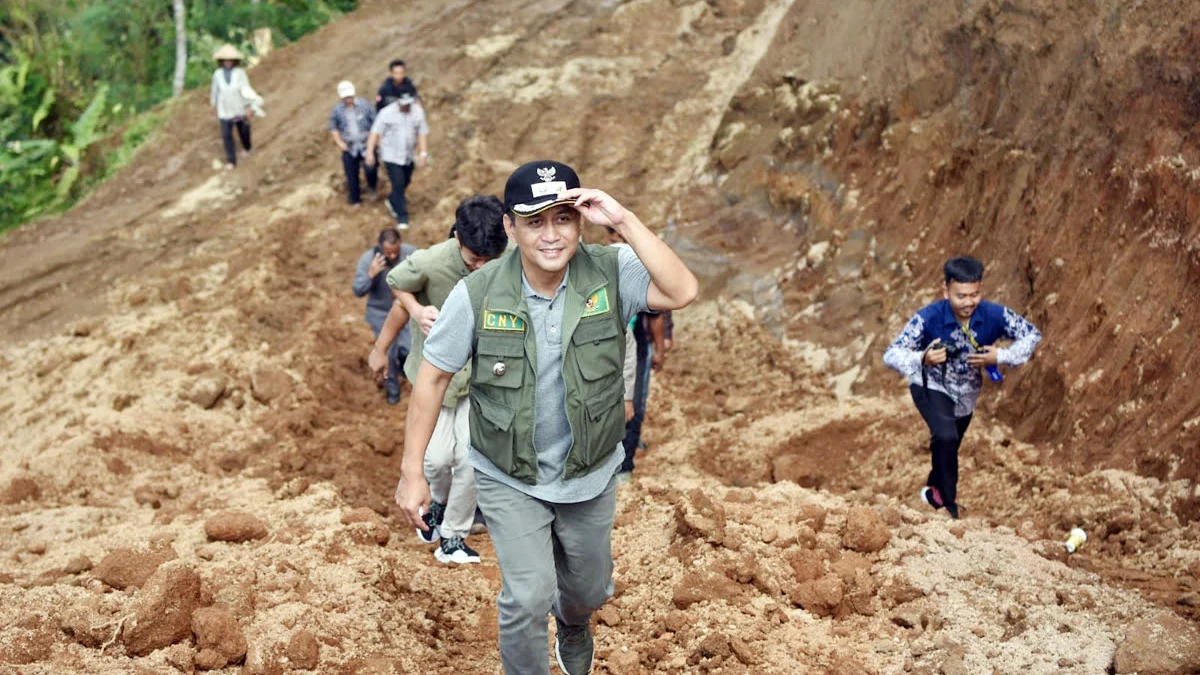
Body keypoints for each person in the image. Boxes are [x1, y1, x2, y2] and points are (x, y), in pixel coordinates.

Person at [395, 160, 699, 675]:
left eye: (563, 218)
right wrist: (412, 471)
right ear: (510, 228)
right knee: (526, 598)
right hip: (508, 473)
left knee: (587, 588)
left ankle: (575, 623)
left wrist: (622, 219)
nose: (552, 235)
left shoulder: (610, 269)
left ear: (580, 222)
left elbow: (682, 291)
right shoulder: (477, 293)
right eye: (535, 221)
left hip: (590, 471)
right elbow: (432, 378)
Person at [370, 195, 509, 564]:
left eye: (488, 260)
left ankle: (453, 536)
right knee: (434, 460)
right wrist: (415, 312)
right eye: (473, 259)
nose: (481, 267)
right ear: (458, 239)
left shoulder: (510, 262)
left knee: (470, 458)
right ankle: (440, 504)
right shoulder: (432, 261)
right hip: (436, 379)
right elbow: (396, 282)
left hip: (481, 381)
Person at [883, 256, 1041, 519]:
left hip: (967, 394)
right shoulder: (928, 317)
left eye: (974, 294)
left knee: (949, 445)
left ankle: (933, 491)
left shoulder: (993, 315)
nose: (968, 302)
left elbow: (1031, 335)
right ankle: (948, 507)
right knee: (946, 436)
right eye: (961, 296)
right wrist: (922, 357)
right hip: (929, 384)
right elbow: (892, 354)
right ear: (946, 291)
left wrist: (1001, 356)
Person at [354, 229, 416, 405]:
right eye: (389, 252)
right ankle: (393, 392)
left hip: (405, 308)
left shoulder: (411, 254)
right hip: (379, 312)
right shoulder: (368, 260)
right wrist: (371, 275)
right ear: (380, 247)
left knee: (411, 347)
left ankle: (407, 372)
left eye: (396, 251)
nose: (393, 255)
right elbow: (358, 290)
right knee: (387, 353)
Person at [365, 93, 429, 230]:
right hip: (391, 156)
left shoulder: (417, 112)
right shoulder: (386, 113)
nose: (406, 107)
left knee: (405, 181)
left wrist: (423, 153)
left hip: (408, 156)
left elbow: (422, 133)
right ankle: (402, 216)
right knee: (398, 183)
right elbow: (375, 133)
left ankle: (392, 199)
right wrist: (370, 152)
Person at [328, 81, 378, 205]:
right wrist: (340, 143)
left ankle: (372, 188)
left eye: (350, 97)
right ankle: (355, 199)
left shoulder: (365, 105)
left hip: (366, 144)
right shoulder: (337, 110)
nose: (348, 100)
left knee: (370, 169)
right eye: (346, 98)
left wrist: (375, 141)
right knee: (351, 174)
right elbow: (333, 127)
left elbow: (376, 123)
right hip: (349, 147)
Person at [209, 45, 254, 170]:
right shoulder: (217, 74)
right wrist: (213, 105)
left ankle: (247, 147)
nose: (227, 62)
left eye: (230, 60)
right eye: (225, 60)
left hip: (239, 107)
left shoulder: (240, 73)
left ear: (234, 61)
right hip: (224, 109)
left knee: (244, 130)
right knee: (226, 135)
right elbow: (215, 90)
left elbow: (246, 89)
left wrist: (248, 106)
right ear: (221, 61)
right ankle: (231, 160)